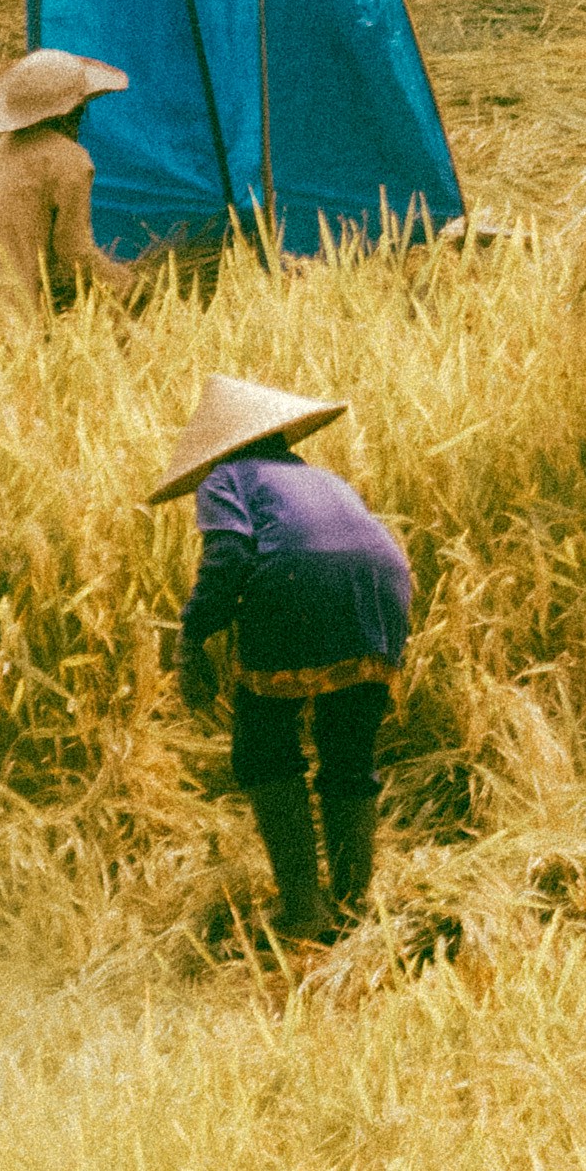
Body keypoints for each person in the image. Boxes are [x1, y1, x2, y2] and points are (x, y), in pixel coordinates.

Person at [158, 371, 413, 944]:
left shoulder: (227, 475)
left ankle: (303, 910)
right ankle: (351, 908)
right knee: (347, 746)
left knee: (263, 747)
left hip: (300, 588)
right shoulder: (323, 477)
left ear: (218, 448)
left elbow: (227, 557)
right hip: (381, 589)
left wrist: (192, 635)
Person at [0, 47, 141, 347]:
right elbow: (73, 251)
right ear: (75, 111)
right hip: (2, 317)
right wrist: (126, 286)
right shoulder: (69, 160)